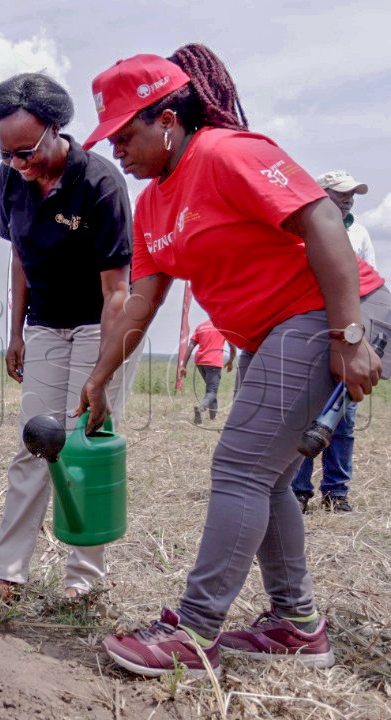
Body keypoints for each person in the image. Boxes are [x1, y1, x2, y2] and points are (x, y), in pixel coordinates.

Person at [77, 45, 387, 678]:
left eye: (125, 134)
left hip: (327, 311)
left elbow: (323, 217)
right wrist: (100, 376)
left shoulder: (227, 153)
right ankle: (297, 626)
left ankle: (194, 631)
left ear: (167, 119)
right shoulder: (153, 204)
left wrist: (350, 334)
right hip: (274, 330)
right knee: (265, 473)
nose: (117, 151)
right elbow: (140, 304)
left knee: (240, 466)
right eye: (109, 139)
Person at [0, 73, 135, 616]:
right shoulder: (10, 178)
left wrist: (102, 375)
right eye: (7, 152)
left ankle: (83, 580)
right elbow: (17, 254)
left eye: (27, 150)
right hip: (44, 325)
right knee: (35, 445)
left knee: (84, 446)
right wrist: (17, 330)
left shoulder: (101, 183)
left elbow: (118, 293)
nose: (18, 162)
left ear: (56, 129)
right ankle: (6, 575)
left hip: (97, 326)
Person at [291, 170, 379, 514]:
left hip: (350, 337)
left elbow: (368, 287)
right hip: (310, 333)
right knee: (304, 418)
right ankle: (298, 492)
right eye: (341, 193)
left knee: (344, 421)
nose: (349, 199)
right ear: (319, 192)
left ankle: (336, 494)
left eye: (352, 194)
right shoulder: (299, 230)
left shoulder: (359, 233)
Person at [181, 320, 235, 425]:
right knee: (212, 391)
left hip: (200, 362)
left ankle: (212, 418)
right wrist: (230, 361)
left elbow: (191, 346)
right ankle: (201, 407)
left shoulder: (201, 326)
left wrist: (184, 366)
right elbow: (232, 347)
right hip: (214, 362)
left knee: (210, 390)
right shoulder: (224, 325)